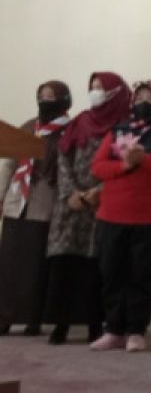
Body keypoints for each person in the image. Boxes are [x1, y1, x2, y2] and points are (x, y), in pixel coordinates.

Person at [89, 80, 151, 352]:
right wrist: (125, 164)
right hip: (112, 213)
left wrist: (146, 160)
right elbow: (98, 167)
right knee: (111, 273)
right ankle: (114, 329)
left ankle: (136, 330)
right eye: (139, 97)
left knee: (142, 274)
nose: (144, 102)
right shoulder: (118, 130)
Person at [45, 72, 130, 345]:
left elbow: (126, 166)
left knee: (96, 267)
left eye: (100, 88)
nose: (94, 92)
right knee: (64, 264)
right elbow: (63, 156)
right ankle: (61, 324)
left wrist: (98, 193)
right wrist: (71, 193)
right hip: (70, 205)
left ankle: (95, 324)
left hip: (103, 205)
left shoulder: (125, 126)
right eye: (92, 87)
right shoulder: (81, 120)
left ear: (116, 93)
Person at [0, 81, 71, 337]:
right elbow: (9, 162)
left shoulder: (69, 131)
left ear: (64, 99)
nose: (45, 99)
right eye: (41, 95)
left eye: (51, 96)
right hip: (17, 200)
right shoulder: (29, 126)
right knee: (8, 262)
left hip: (45, 201)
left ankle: (33, 319)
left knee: (35, 265)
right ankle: (5, 316)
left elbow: (67, 169)